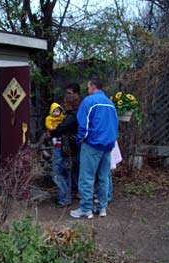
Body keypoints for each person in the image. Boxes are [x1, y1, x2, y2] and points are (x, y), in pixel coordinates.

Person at [70, 77, 118, 219]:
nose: (87, 89)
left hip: (92, 144)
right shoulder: (110, 103)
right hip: (108, 146)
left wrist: (80, 140)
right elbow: (115, 125)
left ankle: (86, 209)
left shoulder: (89, 101)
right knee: (104, 178)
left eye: (88, 86)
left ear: (93, 86)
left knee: (86, 177)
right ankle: (102, 208)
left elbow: (83, 125)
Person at [50, 91, 81, 207]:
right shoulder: (76, 114)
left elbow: (61, 129)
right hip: (72, 147)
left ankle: (64, 198)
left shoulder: (71, 116)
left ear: (68, 103)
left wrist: (52, 132)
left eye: (65, 102)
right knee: (66, 172)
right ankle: (66, 197)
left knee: (57, 172)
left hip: (65, 147)